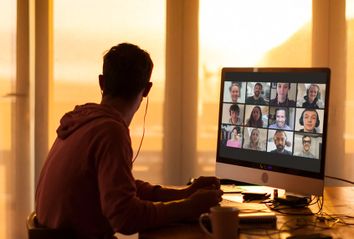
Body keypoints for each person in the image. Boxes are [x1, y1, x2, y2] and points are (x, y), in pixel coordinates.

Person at [35, 43, 223, 239]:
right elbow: (125, 218)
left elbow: (120, 187)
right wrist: (188, 207)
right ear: (147, 89)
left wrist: (186, 193)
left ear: (102, 82)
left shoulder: (81, 122)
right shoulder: (110, 132)